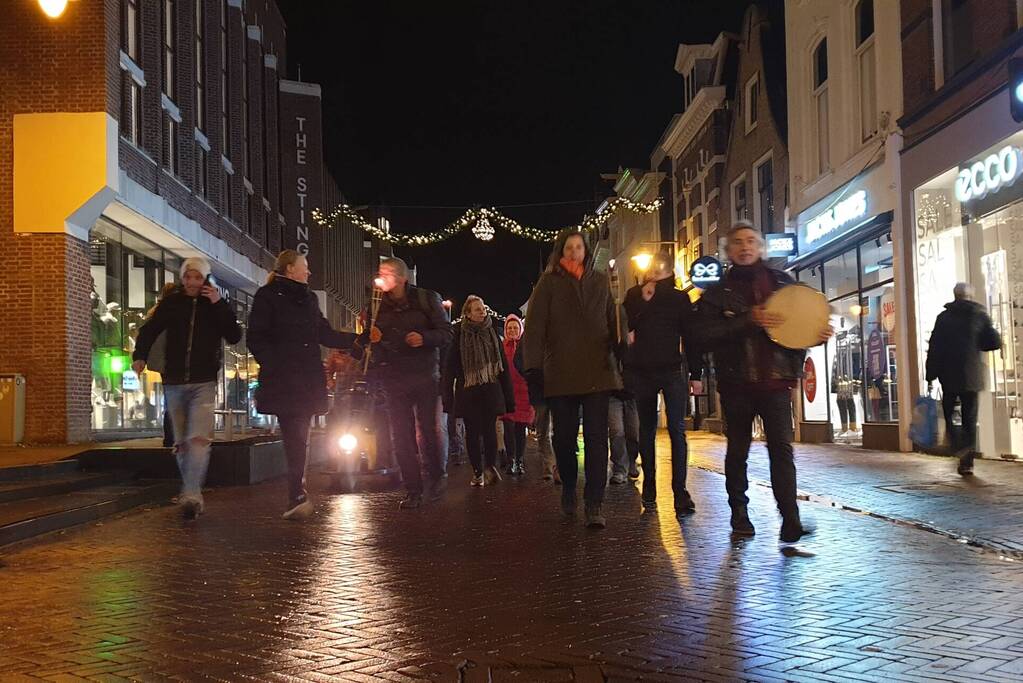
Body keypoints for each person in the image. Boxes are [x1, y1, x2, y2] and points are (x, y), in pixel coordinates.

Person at [693, 222, 831, 543]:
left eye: (751, 241)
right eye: (738, 242)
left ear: (761, 247)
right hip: (736, 384)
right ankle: (739, 514)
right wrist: (747, 321)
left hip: (776, 383)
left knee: (781, 451)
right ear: (728, 251)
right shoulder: (716, 294)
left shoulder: (783, 283)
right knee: (737, 451)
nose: (746, 247)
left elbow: (799, 327)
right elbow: (702, 336)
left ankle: (790, 519)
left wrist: (816, 335)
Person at [248, 250, 361, 519]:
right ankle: (296, 494)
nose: (309, 272)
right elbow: (256, 338)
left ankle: (297, 493)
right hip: (285, 378)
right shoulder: (267, 297)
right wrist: (274, 364)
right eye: (305, 266)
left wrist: (359, 338)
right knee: (296, 434)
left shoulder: (309, 299)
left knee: (299, 435)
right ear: (290, 269)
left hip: (306, 378)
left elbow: (325, 333)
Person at [522, 230, 621, 529]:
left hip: (596, 373)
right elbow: (535, 330)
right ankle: (567, 487)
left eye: (579, 247)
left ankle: (594, 502)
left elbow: (613, 322)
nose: (575, 252)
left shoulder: (601, 282)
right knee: (563, 439)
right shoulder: (548, 284)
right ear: (561, 252)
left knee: (595, 439)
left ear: (586, 251)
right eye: (569, 247)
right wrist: (534, 370)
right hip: (560, 374)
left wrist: (622, 341)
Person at [132, 257, 242, 520]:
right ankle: (191, 490)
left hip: (204, 381)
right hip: (174, 381)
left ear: (205, 279)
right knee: (182, 443)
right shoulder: (173, 303)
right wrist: (140, 356)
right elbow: (150, 329)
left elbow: (234, 335)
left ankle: (191, 493)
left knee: (198, 440)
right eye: (188, 277)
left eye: (197, 277)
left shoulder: (214, 305)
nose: (192, 282)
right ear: (183, 279)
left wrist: (219, 304)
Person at [365, 257, 453, 509]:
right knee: (401, 436)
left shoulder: (426, 299)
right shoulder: (376, 305)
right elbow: (375, 344)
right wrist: (374, 341)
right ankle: (413, 489)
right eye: (381, 272)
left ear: (403, 278)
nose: (384, 277)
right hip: (395, 378)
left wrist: (423, 338)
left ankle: (437, 476)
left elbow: (446, 333)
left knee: (428, 430)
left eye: (389, 272)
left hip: (425, 376)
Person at [623, 252, 703, 517]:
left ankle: (679, 491)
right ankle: (650, 485)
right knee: (647, 430)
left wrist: (696, 373)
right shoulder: (634, 295)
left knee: (677, 431)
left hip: (671, 370)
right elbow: (626, 327)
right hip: (643, 371)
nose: (655, 273)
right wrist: (644, 301)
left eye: (659, 269)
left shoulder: (680, 298)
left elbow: (691, 336)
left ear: (668, 271)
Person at [925, 282, 1003, 475]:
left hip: (948, 375)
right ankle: (967, 461)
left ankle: (957, 443)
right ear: (970, 296)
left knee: (949, 413)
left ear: (955, 295)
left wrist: (930, 374)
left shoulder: (943, 318)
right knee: (970, 417)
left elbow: (935, 347)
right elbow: (993, 343)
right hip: (971, 375)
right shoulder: (979, 314)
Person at [442, 296, 515, 486]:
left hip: (491, 389)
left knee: (490, 430)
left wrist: (509, 397)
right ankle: (477, 472)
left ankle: (490, 467)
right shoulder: (458, 335)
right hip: (468, 392)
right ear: (467, 313)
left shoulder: (492, 333)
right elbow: (449, 368)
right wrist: (447, 398)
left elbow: (503, 368)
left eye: (482, 308)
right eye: (477, 309)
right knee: (472, 432)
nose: (482, 312)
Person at [143, 282, 180, 448]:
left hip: (163, 362)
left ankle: (170, 437)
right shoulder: (170, 313)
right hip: (171, 361)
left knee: (170, 399)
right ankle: (174, 436)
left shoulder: (155, 313)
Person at [500, 314, 535, 476]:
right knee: (508, 427)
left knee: (520, 428)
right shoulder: (501, 347)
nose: (512, 330)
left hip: (524, 393)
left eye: (515, 327)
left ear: (520, 329)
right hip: (507, 392)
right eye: (509, 328)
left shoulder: (527, 346)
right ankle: (511, 460)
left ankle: (520, 460)